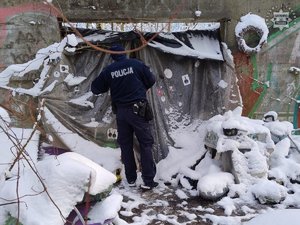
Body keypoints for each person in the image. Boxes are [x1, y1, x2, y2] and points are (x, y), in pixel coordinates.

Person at [91, 44, 158, 190]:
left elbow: (95, 88)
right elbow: (151, 80)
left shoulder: (109, 70)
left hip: (121, 113)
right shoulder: (137, 65)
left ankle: (131, 179)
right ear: (125, 53)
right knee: (146, 144)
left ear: (112, 56)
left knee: (126, 145)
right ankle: (148, 181)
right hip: (138, 111)